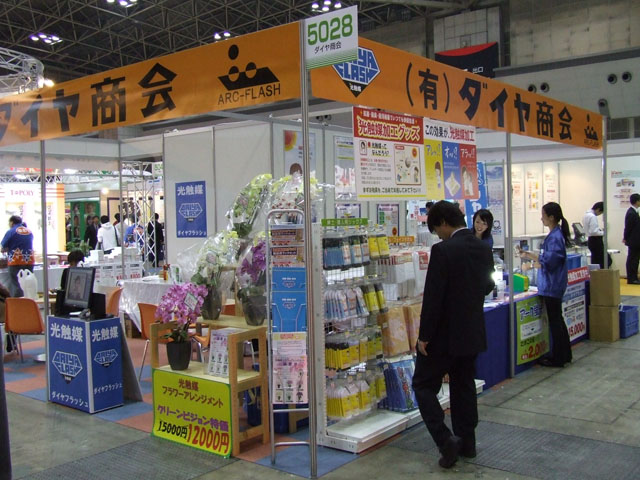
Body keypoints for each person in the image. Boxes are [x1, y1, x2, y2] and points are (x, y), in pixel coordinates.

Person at [412, 201, 494, 468]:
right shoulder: (483, 248)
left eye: (437, 230)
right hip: (471, 331)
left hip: (443, 335)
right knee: (464, 386)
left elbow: (433, 298)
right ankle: (468, 443)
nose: (438, 235)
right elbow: (487, 286)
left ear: (443, 223)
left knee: (423, 386)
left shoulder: (443, 250)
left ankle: (445, 440)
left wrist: (424, 336)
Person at [521, 202, 572, 367]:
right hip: (553, 284)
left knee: (555, 321)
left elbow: (550, 261)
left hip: (552, 285)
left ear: (551, 217)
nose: (541, 218)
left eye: (543, 215)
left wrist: (533, 261)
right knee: (558, 320)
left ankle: (559, 357)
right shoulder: (554, 235)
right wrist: (530, 255)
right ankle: (565, 354)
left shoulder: (555, 237)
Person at [1, 215, 35, 297]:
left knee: (17, 285)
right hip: (29, 260)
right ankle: (28, 301)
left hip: (16, 261)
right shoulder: (29, 231)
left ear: (12, 222)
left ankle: (18, 303)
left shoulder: (11, 231)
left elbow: (2, 248)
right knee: (27, 284)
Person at [582, 201, 610, 269]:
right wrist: (603, 233)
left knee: (595, 260)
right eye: (601, 212)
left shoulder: (586, 215)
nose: (600, 214)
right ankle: (602, 274)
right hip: (596, 241)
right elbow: (594, 231)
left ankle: (595, 274)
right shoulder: (592, 217)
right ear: (598, 209)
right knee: (605, 261)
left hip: (591, 240)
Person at [623, 194, 640, 284]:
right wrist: (625, 237)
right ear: (637, 201)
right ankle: (632, 278)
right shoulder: (631, 213)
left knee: (635, 260)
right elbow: (628, 227)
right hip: (633, 241)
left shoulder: (634, 212)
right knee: (632, 260)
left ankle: (634, 277)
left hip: (636, 240)